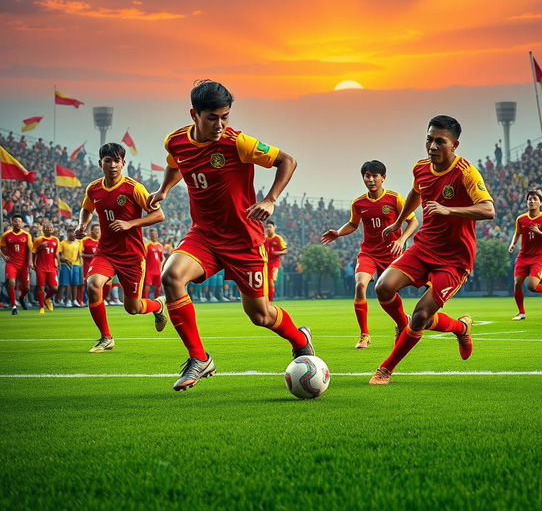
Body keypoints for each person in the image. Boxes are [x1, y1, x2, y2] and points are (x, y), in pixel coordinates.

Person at [149, 79, 314, 391]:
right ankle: (199, 358)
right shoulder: (175, 141)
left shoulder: (238, 143)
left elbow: (287, 161)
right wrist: (163, 189)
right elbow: (175, 164)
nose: (221, 124)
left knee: (260, 315)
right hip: (205, 236)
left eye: (226, 116)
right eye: (213, 118)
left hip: (244, 241)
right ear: (194, 115)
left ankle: (299, 338)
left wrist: (270, 199)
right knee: (170, 276)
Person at [368, 115, 495, 385]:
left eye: (440, 141)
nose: (432, 146)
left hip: (454, 259)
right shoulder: (421, 168)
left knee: (423, 315)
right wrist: (399, 223)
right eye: (429, 139)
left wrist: (450, 209)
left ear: (454, 145)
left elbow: (488, 209)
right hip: (424, 246)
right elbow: (416, 193)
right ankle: (406, 326)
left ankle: (386, 368)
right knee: (383, 287)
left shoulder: (466, 172)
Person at [75, 143, 166, 353]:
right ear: (101, 163)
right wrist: (83, 224)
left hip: (131, 256)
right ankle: (106, 338)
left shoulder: (134, 188)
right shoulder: (94, 188)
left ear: (123, 163)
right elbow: (86, 208)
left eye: (117, 161)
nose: (113, 165)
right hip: (105, 252)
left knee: (133, 308)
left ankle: (158, 305)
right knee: (93, 285)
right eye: (108, 160)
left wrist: (130, 223)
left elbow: (159, 215)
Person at [321, 160, 418, 349]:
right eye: (367, 176)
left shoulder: (394, 198)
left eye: (375, 176)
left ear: (383, 177)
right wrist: (339, 233)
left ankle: (401, 324)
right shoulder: (358, 203)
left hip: (391, 253)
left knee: (386, 295)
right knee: (360, 285)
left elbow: (412, 222)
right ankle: (364, 334)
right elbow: (353, 224)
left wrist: (401, 240)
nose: (371, 179)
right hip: (368, 253)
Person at [508, 190, 542, 320]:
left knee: (531, 286)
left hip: (539, 257)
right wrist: (513, 244)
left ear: (540, 202)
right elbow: (517, 233)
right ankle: (521, 313)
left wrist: (539, 232)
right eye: (529, 199)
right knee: (517, 283)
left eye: (535, 199)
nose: (532, 201)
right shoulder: (521, 219)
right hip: (523, 256)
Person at [0, 214, 33, 315]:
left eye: (19, 221)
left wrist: (30, 261)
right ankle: (14, 306)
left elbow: (30, 249)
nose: (17, 223)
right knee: (11, 283)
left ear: (22, 223)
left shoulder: (27, 235)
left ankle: (22, 298)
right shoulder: (6, 235)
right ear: (12, 222)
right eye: (15, 221)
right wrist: (3, 256)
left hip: (23, 265)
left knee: (27, 288)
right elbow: (1, 247)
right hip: (11, 264)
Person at [32, 221, 60, 314]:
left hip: (52, 267)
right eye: (46, 227)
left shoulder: (55, 239)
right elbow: (34, 252)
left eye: (50, 227)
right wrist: (33, 263)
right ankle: (41, 307)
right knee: (41, 288)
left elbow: (56, 254)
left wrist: (59, 264)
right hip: (41, 267)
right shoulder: (38, 240)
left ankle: (47, 299)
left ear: (52, 228)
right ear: (43, 229)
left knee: (55, 288)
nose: (48, 229)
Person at [57, 227, 83, 308]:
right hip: (65, 265)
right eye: (70, 234)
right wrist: (63, 260)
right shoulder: (62, 243)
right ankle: (60, 300)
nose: (72, 235)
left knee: (75, 284)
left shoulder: (78, 243)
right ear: (67, 234)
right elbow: (59, 255)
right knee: (64, 284)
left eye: (73, 234)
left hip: (76, 265)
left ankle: (74, 300)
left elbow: (79, 255)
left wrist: (81, 264)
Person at [264, 220, 287, 301]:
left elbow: (285, 251)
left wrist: (277, 252)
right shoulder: (264, 239)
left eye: (270, 227)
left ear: (274, 228)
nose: (268, 229)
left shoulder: (278, 238)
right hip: (265, 264)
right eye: (267, 227)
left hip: (274, 264)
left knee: (270, 281)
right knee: (264, 283)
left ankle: (270, 301)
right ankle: (265, 301)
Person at [80, 224, 101, 304]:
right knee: (85, 283)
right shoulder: (85, 240)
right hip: (86, 265)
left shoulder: (102, 241)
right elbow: (80, 254)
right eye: (95, 230)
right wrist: (91, 256)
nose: (97, 231)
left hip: (99, 267)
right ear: (91, 231)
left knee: (98, 283)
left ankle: (98, 299)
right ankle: (82, 300)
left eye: (98, 230)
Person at [143, 228, 165, 300]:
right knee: (147, 285)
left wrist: (161, 267)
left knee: (158, 285)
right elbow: (143, 257)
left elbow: (163, 258)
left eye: (155, 234)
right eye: (152, 235)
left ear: (157, 235)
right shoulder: (147, 245)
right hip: (149, 270)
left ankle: (157, 300)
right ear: (150, 236)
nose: (154, 236)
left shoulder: (160, 246)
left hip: (158, 270)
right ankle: (145, 299)